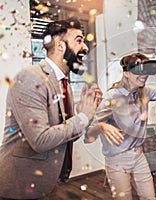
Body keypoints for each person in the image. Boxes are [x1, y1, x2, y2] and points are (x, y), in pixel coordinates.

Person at [0, 18, 102, 199]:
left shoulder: (64, 83)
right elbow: (40, 140)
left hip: (48, 182)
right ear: (60, 46)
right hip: (19, 185)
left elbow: (67, 135)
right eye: (79, 40)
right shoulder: (30, 77)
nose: (85, 48)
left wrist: (87, 114)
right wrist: (82, 118)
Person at [85, 53, 156, 200]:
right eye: (139, 70)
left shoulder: (145, 92)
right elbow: (88, 134)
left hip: (139, 155)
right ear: (126, 73)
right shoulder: (112, 97)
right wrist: (101, 126)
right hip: (117, 160)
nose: (144, 75)